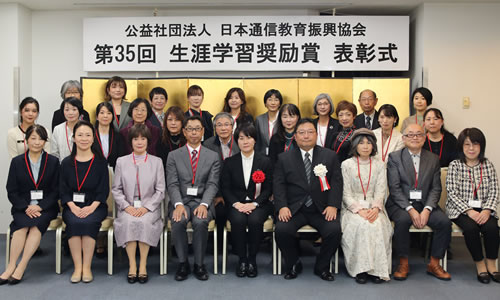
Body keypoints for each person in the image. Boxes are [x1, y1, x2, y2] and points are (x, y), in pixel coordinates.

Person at [274, 118, 343, 281]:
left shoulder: (330, 156)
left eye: (310, 132)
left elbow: (337, 183)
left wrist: (333, 205)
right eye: (302, 133)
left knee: (333, 230)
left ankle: (322, 266)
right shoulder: (284, 158)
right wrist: (282, 206)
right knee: (282, 230)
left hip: (321, 208)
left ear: (316, 134)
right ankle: (292, 263)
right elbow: (278, 184)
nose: (306, 136)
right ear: (295, 137)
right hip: (294, 209)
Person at [386, 123, 452, 281]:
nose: (414, 138)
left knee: (444, 222)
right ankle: (403, 263)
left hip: (425, 203)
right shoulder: (395, 157)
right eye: (410, 134)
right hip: (400, 203)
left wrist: (428, 209)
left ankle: (434, 263)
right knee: (402, 220)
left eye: (419, 134)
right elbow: (394, 189)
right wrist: (410, 209)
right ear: (403, 138)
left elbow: (436, 189)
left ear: (425, 137)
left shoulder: (433, 158)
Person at [1, 125, 59, 285]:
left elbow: (56, 191)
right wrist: (25, 207)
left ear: (45, 141)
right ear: (26, 140)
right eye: (33, 138)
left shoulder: (53, 162)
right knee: (20, 227)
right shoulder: (17, 162)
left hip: (45, 208)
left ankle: (22, 266)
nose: (37, 142)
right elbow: (11, 190)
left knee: (35, 226)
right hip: (23, 207)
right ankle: (10, 266)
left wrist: (40, 206)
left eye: (41, 138)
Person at [166, 115, 220, 281]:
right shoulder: (173, 155)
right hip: (180, 200)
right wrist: (178, 204)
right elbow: (172, 184)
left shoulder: (212, 156)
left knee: (200, 221)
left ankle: (199, 264)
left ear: (203, 131)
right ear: (184, 132)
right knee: (178, 220)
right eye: (190, 129)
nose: (194, 133)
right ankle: (183, 263)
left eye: (197, 129)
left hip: (201, 200)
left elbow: (212, 184)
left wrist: (204, 204)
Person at [112, 124, 165, 284]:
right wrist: (127, 207)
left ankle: (143, 265)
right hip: (127, 207)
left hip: (149, 208)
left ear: (148, 141)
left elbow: (161, 190)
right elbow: (116, 189)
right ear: (131, 141)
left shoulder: (157, 162)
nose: (139, 142)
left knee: (144, 221)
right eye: (136, 139)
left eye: (143, 138)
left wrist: (146, 208)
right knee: (128, 221)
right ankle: (132, 265)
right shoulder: (121, 161)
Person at [446, 128, 499, 284]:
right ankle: (480, 264)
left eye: (475, 144)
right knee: (471, 229)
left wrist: (487, 210)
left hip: (484, 209)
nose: (471, 148)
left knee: (492, 229)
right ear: (461, 147)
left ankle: (492, 263)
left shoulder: (487, 165)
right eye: (467, 144)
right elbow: (452, 192)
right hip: (460, 210)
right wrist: (469, 211)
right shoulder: (455, 165)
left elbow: (495, 190)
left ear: (481, 146)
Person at [340, 128, 392, 284]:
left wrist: (375, 208)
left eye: (369, 143)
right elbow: (345, 193)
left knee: (377, 224)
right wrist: (359, 210)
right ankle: (361, 269)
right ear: (355, 145)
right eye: (361, 143)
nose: (365, 146)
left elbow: (381, 191)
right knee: (360, 225)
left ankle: (377, 270)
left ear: (373, 146)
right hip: (352, 207)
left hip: (374, 206)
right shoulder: (347, 164)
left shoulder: (380, 164)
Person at [60, 121, 109, 283]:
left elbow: (103, 190)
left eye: (88, 135)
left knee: (88, 222)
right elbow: (63, 190)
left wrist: (91, 208)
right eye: (80, 135)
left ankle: (87, 267)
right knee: (73, 222)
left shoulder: (100, 162)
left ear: (93, 139)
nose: (84, 138)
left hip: (95, 205)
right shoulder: (66, 163)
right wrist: (73, 207)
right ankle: (77, 267)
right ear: (73, 138)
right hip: (72, 206)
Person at [221, 124, 272, 278]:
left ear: (255, 140)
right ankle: (242, 260)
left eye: (248, 137)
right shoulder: (230, 162)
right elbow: (225, 188)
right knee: (238, 220)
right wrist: (237, 204)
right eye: (241, 138)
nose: (245, 142)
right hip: (237, 204)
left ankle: (252, 260)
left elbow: (269, 189)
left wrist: (254, 204)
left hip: (259, 204)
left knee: (256, 220)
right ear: (237, 141)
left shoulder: (265, 161)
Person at [203, 112, 240, 248]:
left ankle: (237, 245)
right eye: (219, 125)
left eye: (226, 124)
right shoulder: (207, 145)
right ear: (215, 128)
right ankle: (218, 246)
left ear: (232, 126)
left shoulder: (240, 142)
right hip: (216, 192)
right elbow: (206, 173)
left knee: (237, 214)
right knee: (220, 211)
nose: (223, 128)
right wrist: (217, 195)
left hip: (237, 192)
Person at [51, 97, 83, 163]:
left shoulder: (86, 128)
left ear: (79, 111)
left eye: (74, 109)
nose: (70, 113)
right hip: (63, 168)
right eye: (67, 110)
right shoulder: (58, 129)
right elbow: (54, 154)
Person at [94, 102, 122, 169]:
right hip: (94, 171)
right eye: (102, 113)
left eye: (109, 113)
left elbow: (121, 158)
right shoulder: (91, 135)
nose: (105, 116)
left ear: (112, 117)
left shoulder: (118, 136)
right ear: (97, 117)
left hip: (114, 172)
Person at [255, 89, 282, 155]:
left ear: (280, 103)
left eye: (276, 100)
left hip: (280, 155)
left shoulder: (283, 119)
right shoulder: (259, 119)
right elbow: (257, 141)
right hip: (263, 156)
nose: (273, 103)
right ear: (265, 103)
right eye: (270, 100)